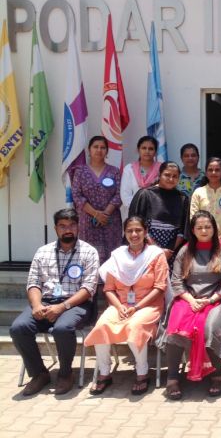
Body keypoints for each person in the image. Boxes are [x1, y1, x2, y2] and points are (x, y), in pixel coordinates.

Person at [10, 209, 99, 396]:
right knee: (18, 328)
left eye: (72, 225)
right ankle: (39, 374)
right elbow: (33, 283)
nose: (68, 230)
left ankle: (66, 374)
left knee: (62, 329)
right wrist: (36, 305)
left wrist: (62, 307)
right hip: (46, 302)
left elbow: (89, 288)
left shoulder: (89, 252)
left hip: (76, 304)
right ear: (55, 228)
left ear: (78, 226)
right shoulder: (43, 252)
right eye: (62, 226)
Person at [85, 216, 168, 395]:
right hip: (121, 305)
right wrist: (119, 306)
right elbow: (108, 289)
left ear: (146, 232)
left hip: (149, 306)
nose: (134, 234)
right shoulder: (118, 256)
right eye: (130, 231)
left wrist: (137, 307)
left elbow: (160, 287)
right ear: (124, 233)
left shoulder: (156, 255)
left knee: (134, 326)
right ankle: (104, 373)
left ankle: (142, 373)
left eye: (138, 230)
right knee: (102, 326)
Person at [164, 211, 221, 400]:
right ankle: (172, 377)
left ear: (215, 228)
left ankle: (217, 374)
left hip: (219, 300)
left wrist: (211, 300)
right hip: (189, 298)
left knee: (210, 325)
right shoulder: (184, 251)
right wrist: (191, 300)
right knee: (176, 325)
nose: (204, 231)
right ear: (193, 230)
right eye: (199, 227)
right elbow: (176, 281)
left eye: (208, 227)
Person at [71, 136, 122, 264]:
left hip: (110, 220)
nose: (99, 150)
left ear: (107, 151)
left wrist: (105, 214)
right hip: (87, 220)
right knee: (89, 254)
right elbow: (77, 195)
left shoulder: (114, 171)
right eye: (95, 147)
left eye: (103, 147)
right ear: (89, 150)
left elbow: (119, 194)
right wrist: (96, 214)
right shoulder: (80, 172)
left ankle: (110, 277)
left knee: (112, 254)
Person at [128, 161, 189, 264]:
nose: (171, 179)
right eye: (167, 175)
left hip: (171, 253)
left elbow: (183, 230)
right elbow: (135, 225)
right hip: (146, 249)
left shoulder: (183, 199)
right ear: (159, 174)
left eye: (175, 176)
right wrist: (156, 249)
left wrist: (169, 251)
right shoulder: (144, 195)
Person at [190, 157, 221, 245]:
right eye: (210, 170)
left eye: (217, 170)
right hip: (202, 240)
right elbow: (193, 218)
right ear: (206, 173)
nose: (213, 172)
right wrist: (204, 236)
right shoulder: (198, 192)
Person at [120, 136, 162, 213]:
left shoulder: (162, 169)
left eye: (151, 149)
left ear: (155, 151)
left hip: (157, 212)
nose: (147, 151)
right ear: (138, 150)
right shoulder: (129, 169)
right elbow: (125, 195)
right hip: (134, 212)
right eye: (144, 148)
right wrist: (139, 208)